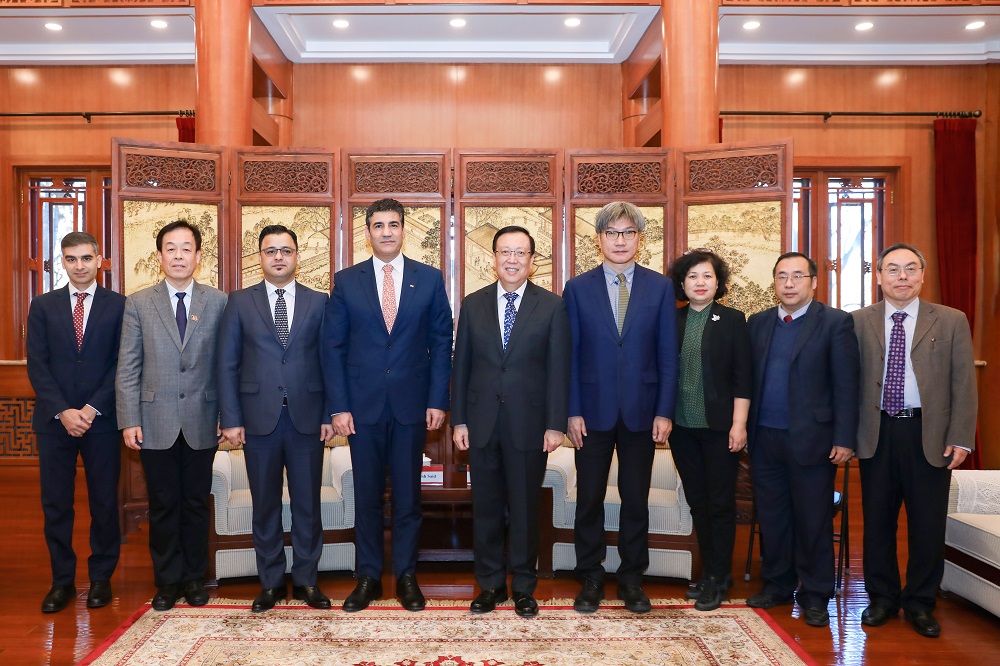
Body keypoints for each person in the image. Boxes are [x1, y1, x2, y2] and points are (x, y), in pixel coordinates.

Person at [323, 198, 453, 613]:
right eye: (378, 225)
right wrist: (338, 407)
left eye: (393, 224)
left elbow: (441, 343)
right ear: (367, 233)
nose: (386, 232)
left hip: (411, 407)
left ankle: (407, 577)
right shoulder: (347, 282)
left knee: (408, 498)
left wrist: (438, 399)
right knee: (366, 496)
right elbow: (332, 348)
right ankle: (368, 578)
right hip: (360, 411)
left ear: (403, 230)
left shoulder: (429, 279)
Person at [853, 243, 977, 639]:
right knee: (877, 522)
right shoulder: (857, 321)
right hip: (876, 433)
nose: (902, 276)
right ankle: (882, 598)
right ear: (879, 276)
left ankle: (921, 602)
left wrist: (961, 437)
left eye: (910, 268)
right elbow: (846, 382)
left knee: (927, 524)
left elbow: (963, 382)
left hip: (930, 434)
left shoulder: (951, 320)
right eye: (892, 269)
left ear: (923, 275)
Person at [562, 202, 678, 615]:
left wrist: (664, 411)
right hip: (590, 413)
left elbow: (668, 355)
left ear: (639, 239)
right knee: (589, 498)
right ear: (599, 239)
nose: (620, 240)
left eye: (628, 232)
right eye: (612, 232)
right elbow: (569, 355)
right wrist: (571, 411)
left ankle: (631, 578)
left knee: (635, 499)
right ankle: (591, 577)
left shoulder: (660, 287)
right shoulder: (577, 288)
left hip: (642, 412)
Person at [452, 225, 571, 619]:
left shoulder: (552, 306)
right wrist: (459, 420)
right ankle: (489, 585)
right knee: (485, 508)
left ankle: (523, 586)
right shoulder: (473, 304)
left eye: (521, 253)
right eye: (505, 252)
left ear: (532, 261)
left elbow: (559, 369)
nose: (512, 259)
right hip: (481, 423)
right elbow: (461, 366)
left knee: (524, 509)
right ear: (494, 258)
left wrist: (555, 424)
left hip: (530, 424)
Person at [217, 225, 335, 612]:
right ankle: (270, 583)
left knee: (307, 506)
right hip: (257, 420)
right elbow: (227, 363)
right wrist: (231, 418)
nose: (279, 257)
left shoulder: (319, 302)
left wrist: (328, 413)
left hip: (307, 419)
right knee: (265, 505)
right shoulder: (239, 302)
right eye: (271, 251)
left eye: (286, 250)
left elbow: (329, 361)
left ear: (297, 255)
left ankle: (306, 581)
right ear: (260, 258)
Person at [116, 220, 228, 612]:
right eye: (171, 248)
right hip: (154, 420)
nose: (178, 255)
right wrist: (129, 419)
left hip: (203, 418)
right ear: (160, 256)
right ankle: (166, 582)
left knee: (195, 503)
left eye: (186, 248)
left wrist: (227, 414)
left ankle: (194, 578)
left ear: (198, 256)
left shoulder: (218, 302)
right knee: (163, 505)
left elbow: (226, 365)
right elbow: (128, 366)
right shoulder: (138, 303)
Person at [745, 252, 859, 628]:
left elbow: (847, 384)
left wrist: (845, 438)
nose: (789, 283)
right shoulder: (758, 322)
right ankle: (778, 585)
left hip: (814, 440)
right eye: (782, 276)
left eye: (797, 276)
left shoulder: (836, 322)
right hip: (764, 437)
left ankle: (815, 594)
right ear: (774, 283)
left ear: (814, 282)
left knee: (813, 520)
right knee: (773, 517)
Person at [27, 232, 126, 614]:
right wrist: (64, 411)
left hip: (101, 421)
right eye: (71, 259)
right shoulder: (43, 306)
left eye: (86, 258)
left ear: (99, 260)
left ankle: (101, 578)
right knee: (56, 504)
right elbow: (38, 364)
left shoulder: (119, 305)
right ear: (63, 262)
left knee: (104, 503)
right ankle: (62, 581)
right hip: (55, 423)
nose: (79, 265)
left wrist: (91, 408)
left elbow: (122, 363)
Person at [667, 249, 752, 612]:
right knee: (698, 502)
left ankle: (717, 577)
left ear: (718, 283)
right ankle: (712, 572)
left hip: (720, 428)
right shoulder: (673, 320)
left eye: (707, 276)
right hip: (682, 428)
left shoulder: (732, 320)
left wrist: (739, 424)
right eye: (692, 277)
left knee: (720, 503)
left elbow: (743, 377)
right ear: (682, 283)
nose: (700, 283)